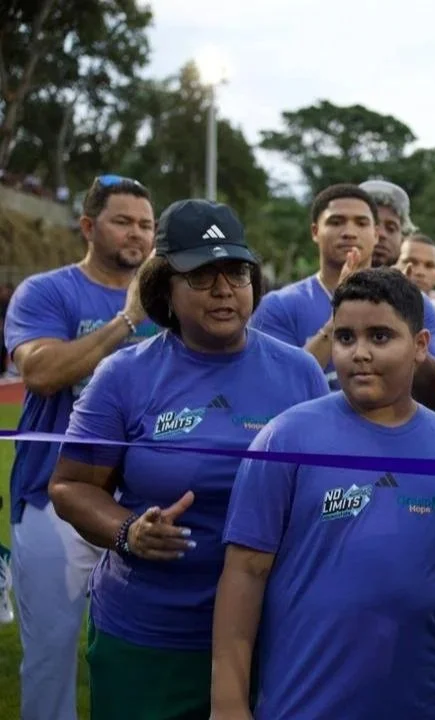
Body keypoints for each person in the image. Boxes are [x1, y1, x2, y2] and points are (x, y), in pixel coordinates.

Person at [47, 199, 329, 719]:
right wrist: (128, 529)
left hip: (272, 630)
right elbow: (70, 487)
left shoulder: (300, 373)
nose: (224, 289)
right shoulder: (123, 375)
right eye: (201, 275)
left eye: (237, 271)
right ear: (165, 289)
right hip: (151, 636)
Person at [212, 268, 435, 720]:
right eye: (345, 337)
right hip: (303, 703)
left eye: (380, 337)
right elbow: (245, 572)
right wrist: (227, 702)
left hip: (418, 703)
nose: (359, 353)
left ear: (421, 345)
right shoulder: (285, 437)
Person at [3, 174, 158, 720]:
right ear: (89, 226)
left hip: (145, 499)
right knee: (50, 652)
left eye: (146, 224)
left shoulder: (170, 303)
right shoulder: (47, 292)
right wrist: (127, 321)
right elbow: (43, 373)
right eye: (123, 221)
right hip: (52, 496)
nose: (136, 234)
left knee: (146, 648)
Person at [248, 184, 435, 396]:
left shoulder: (417, 302)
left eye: (361, 223)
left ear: (376, 234)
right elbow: (272, 388)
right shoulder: (278, 306)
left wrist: (401, 322)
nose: (349, 233)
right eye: (336, 222)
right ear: (315, 231)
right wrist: (337, 320)